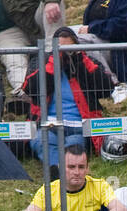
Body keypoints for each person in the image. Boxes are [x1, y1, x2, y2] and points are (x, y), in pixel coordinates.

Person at [23, 24, 111, 164]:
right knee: (41, 142)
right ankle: (57, 170)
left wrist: (81, 60)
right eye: (61, 48)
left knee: (74, 148)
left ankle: (61, 173)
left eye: (69, 48)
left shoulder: (86, 61)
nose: (64, 52)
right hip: (48, 125)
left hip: (78, 126)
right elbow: (29, 88)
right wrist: (53, 63)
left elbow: (107, 88)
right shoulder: (42, 61)